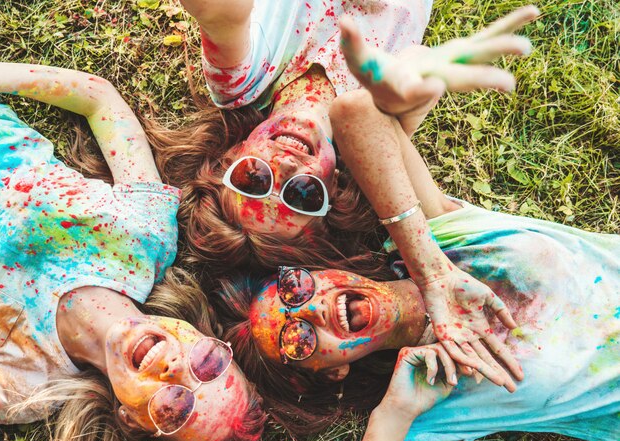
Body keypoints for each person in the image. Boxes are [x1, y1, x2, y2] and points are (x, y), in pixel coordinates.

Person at [210, 67, 620, 441]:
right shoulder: (433, 397)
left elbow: (355, 111)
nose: (313, 308)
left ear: (323, 271)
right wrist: (394, 414)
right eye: (298, 339)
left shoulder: (443, 239)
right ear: (330, 373)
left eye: (295, 287)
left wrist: (433, 273)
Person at [0, 63, 264, 441]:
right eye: (208, 364)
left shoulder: (24, 387)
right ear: (203, 335)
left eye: (175, 407)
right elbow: (100, 101)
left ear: (130, 420)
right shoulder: (147, 237)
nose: (176, 368)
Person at [170, 0, 534, 274]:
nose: (285, 165)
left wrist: (217, 14)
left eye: (254, 177)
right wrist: (410, 81)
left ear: (229, 156)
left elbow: (222, 16)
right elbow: (410, 79)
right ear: (334, 193)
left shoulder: (239, 83)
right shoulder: (375, 134)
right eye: (303, 194)